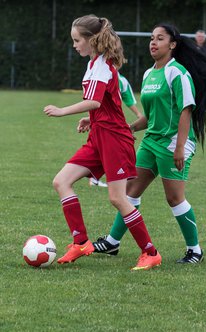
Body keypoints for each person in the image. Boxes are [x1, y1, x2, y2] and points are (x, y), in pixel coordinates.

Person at [93, 23, 206, 263]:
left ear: (172, 45)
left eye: (160, 38)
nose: (153, 42)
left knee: (174, 198)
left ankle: (195, 250)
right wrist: (129, 127)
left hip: (173, 143)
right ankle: (112, 243)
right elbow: (151, 115)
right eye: (152, 38)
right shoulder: (148, 74)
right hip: (151, 141)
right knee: (130, 191)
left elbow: (186, 111)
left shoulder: (178, 73)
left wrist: (179, 148)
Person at [44, 14, 161, 270]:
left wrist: (64, 110)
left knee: (118, 198)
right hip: (99, 135)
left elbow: (96, 101)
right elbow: (104, 104)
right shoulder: (93, 63)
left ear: (91, 40)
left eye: (77, 40)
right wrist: (90, 118)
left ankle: (151, 252)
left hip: (114, 140)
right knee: (61, 181)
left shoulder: (101, 66)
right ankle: (81, 242)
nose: (74, 45)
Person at [89, 72, 143, 187]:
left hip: (107, 121)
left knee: (104, 149)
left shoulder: (120, 80)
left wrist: (139, 116)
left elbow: (128, 99)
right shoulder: (99, 73)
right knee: (108, 149)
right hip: (107, 123)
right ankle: (107, 177)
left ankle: (98, 177)